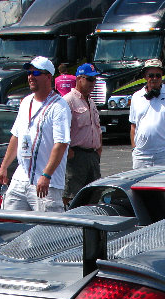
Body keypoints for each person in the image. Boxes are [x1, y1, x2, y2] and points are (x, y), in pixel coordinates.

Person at [0, 56, 71, 213]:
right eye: (29, 73)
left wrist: (46, 175)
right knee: (9, 223)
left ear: (48, 77)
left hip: (46, 182)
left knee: (47, 232)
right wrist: (4, 167)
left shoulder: (59, 106)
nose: (31, 77)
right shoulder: (25, 102)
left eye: (36, 73)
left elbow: (61, 144)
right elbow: (16, 137)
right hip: (21, 177)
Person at [129, 58, 165, 169]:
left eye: (158, 76)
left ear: (162, 77)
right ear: (145, 76)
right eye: (151, 75)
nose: (154, 78)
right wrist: (134, 148)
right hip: (141, 155)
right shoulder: (136, 96)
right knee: (140, 186)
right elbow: (133, 126)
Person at [62, 63, 103, 208]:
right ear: (79, 79)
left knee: (94, 195)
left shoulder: (91, 101)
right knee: (72, 196)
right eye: (90, 79)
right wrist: (69, 151)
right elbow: (62, 130)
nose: (93, 83)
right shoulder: (68, 101)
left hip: (92, 156)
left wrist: (99, 149)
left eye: (95, 80)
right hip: (76, 157)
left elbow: (97, 128)